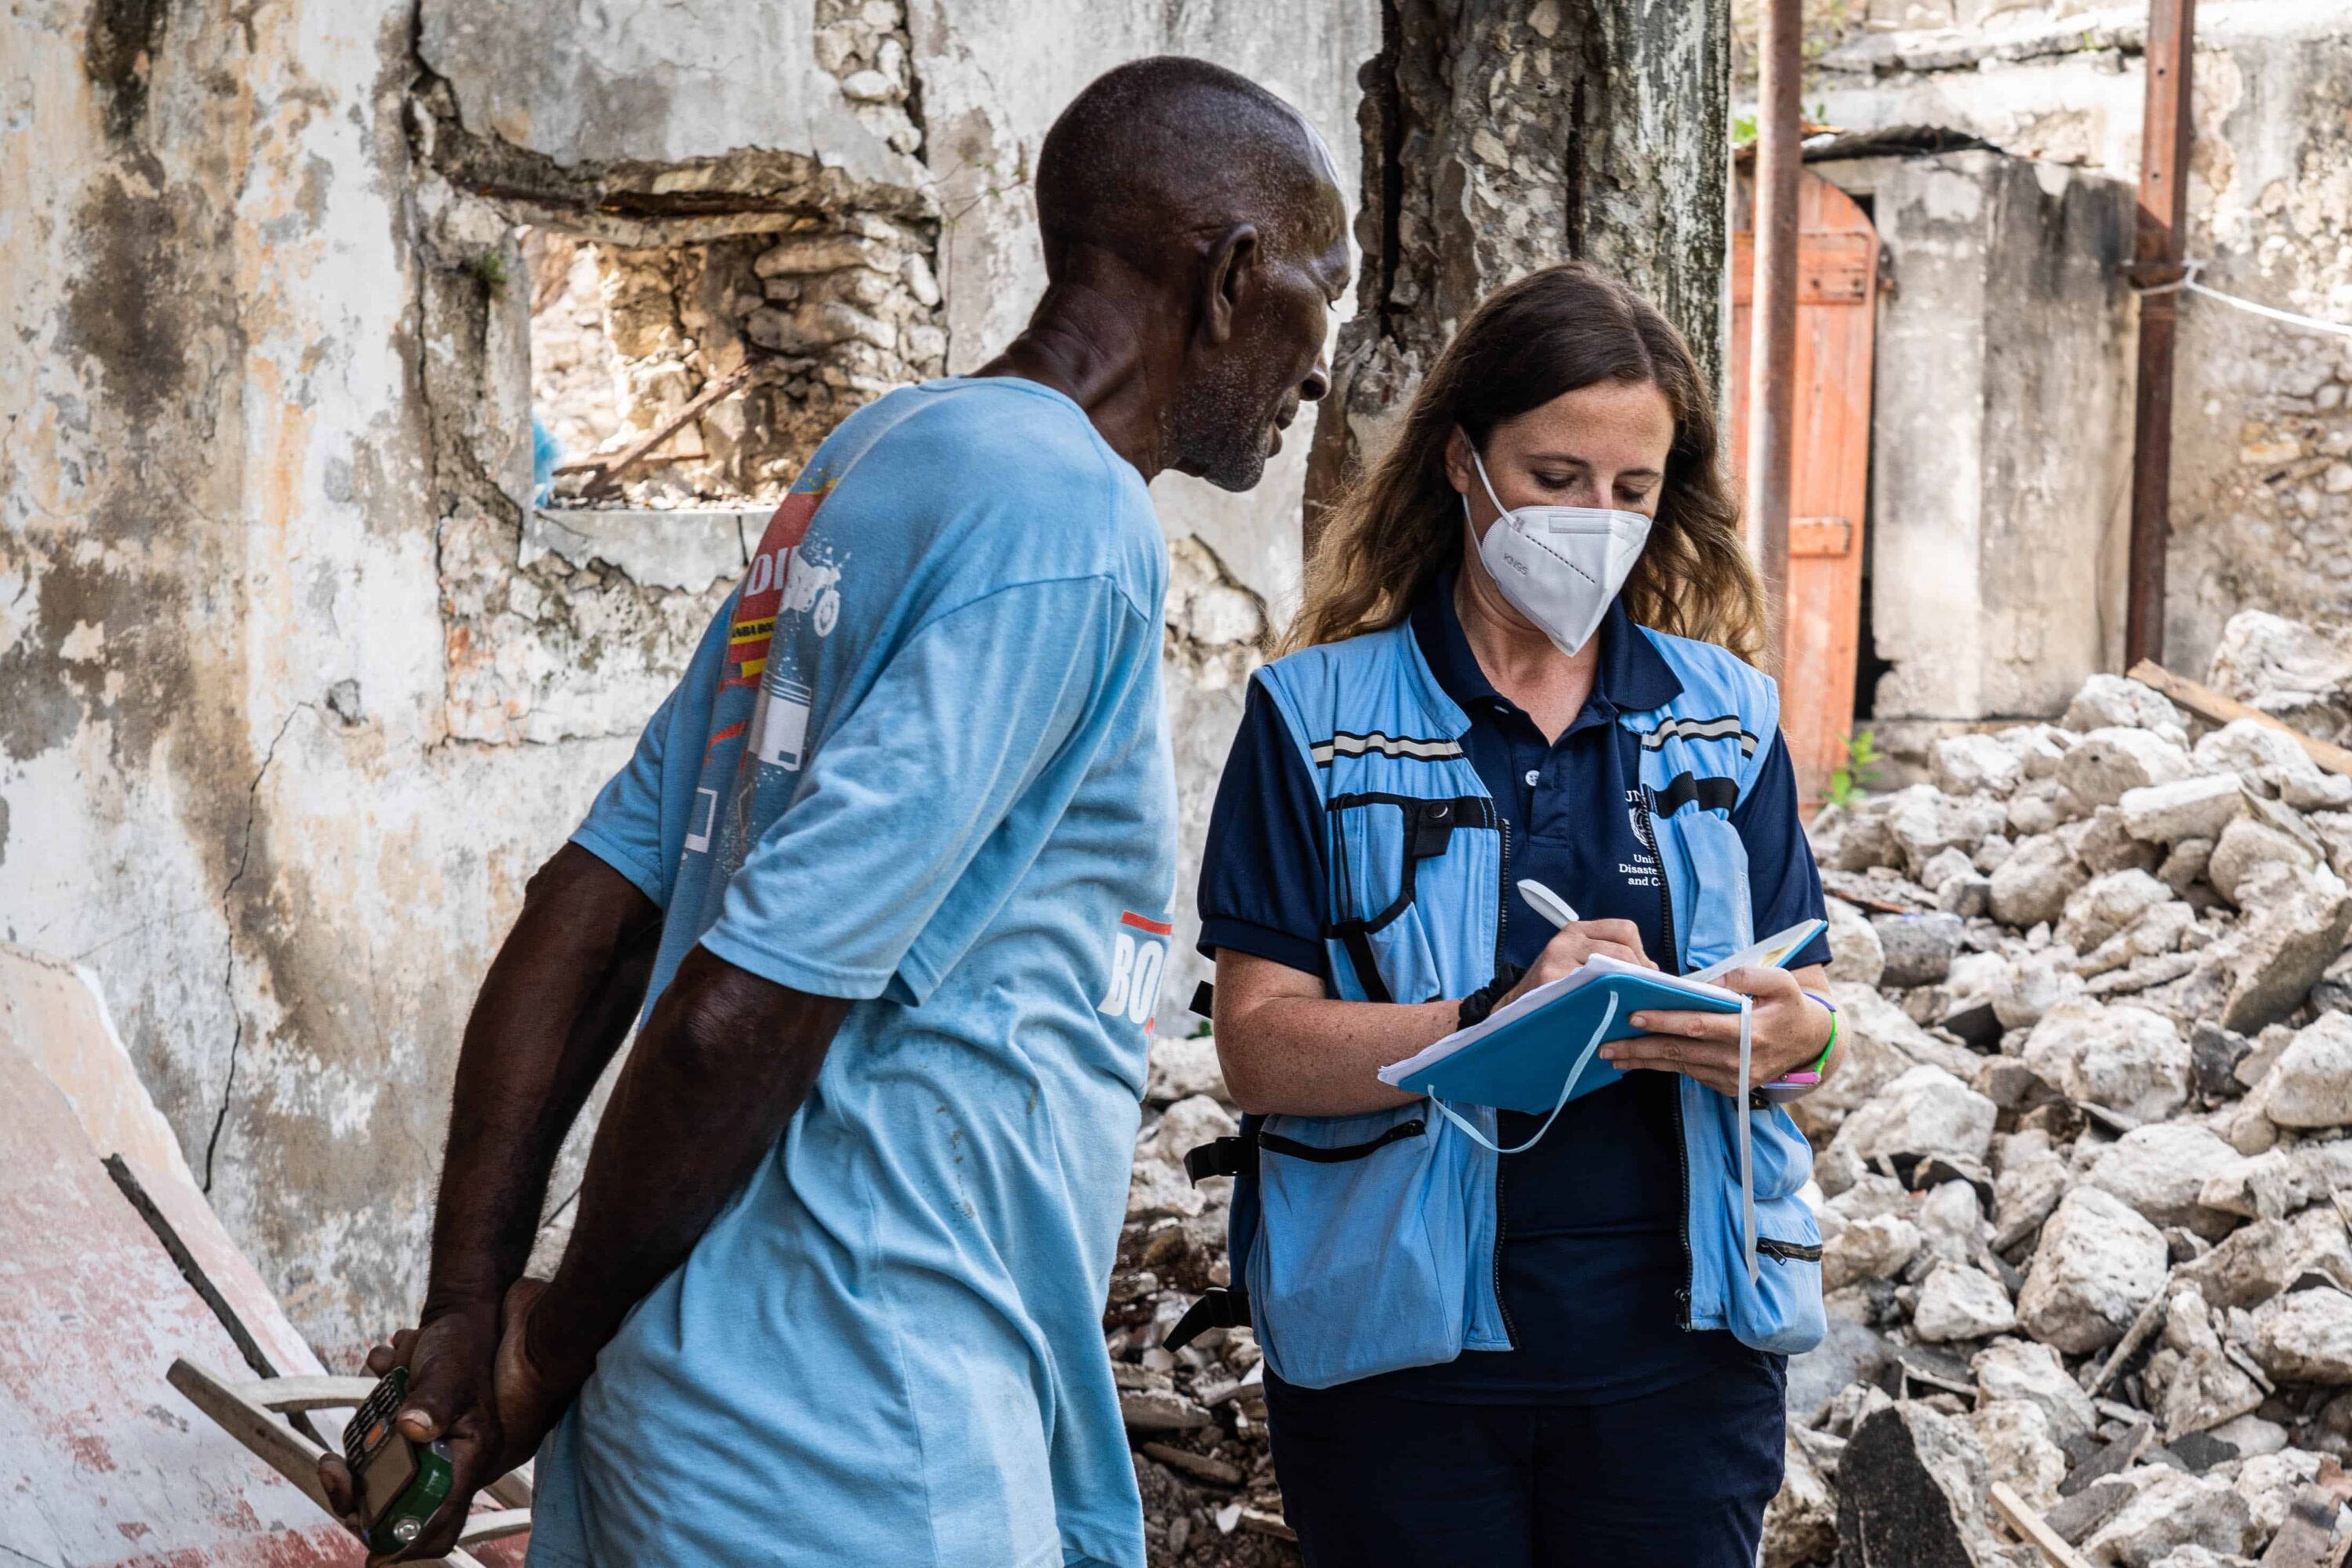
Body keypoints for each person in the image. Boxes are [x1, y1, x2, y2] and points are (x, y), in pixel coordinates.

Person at [319, 56, 1350, 1568]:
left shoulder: (878, 460)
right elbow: (747, 1000)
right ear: (1232, 279)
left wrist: (475, 1305)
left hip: (694, 1414)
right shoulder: (1071, 528)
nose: (1320, 367)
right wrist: (540, 1347)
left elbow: (590, 915)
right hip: (856, 1430)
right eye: (1318, 298)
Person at [1192, 263, 1837, 1568]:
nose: (1596, 518)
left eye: (1633, 490)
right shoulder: (1311, 721)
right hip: (1400, 1364)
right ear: (1459, 464)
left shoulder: (1729, 717)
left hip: (1684, 1356)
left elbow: (1813, 1024)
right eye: (1555, 477)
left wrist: (1798, 1041)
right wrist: (1491, 1019)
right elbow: (1257, 1049)